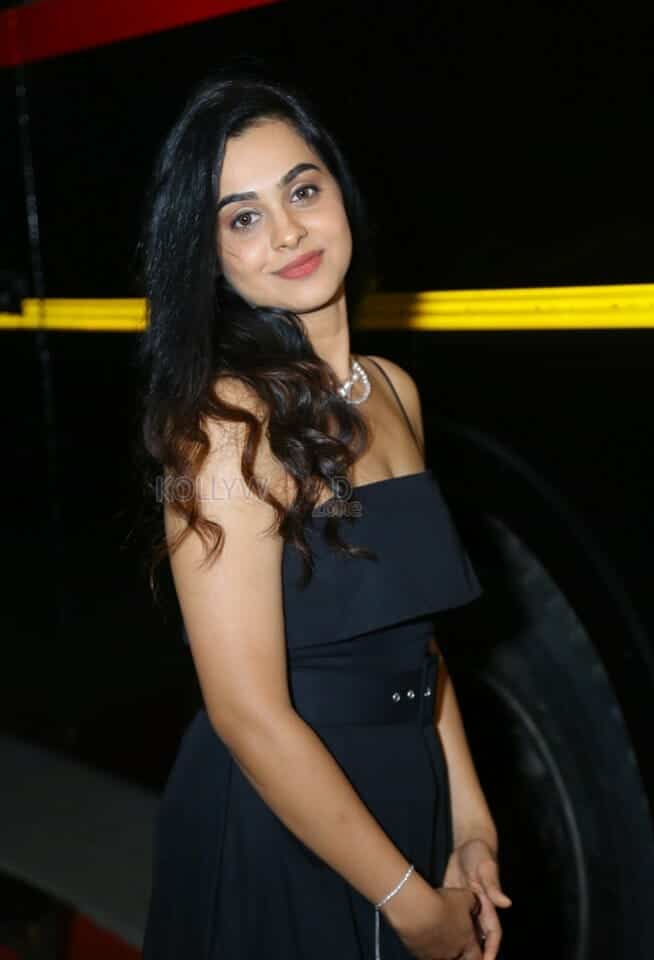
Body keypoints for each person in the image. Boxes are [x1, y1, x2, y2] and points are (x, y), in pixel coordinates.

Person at [137, 64, 511, 960]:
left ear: (341, 193)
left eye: (302, 190)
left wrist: (470, 822)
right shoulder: (225, 425)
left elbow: (418, 644)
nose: (289, 231)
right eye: (243, 217)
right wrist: (408, 904)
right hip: (282, 823)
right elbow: (247, 713)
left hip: (405, 795)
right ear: (211, 255)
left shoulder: (393, 390)